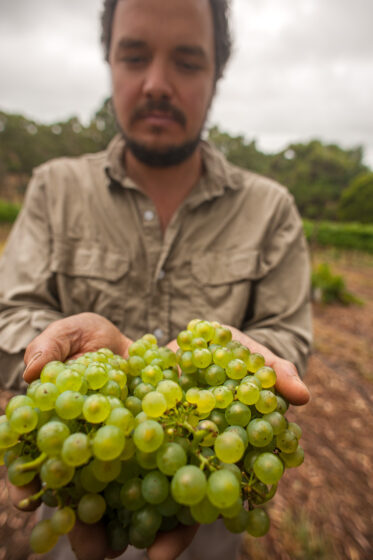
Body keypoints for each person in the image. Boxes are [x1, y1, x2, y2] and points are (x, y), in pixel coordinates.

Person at [0, 0, 312, 559]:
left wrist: (260, 368)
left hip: (213, 494)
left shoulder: (273, 209)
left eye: (188, 62)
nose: (156, 84)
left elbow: (287, 339)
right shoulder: (53, 188)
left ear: (218, 74)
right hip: (84, 481)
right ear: (109, 62)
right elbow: (9, 311)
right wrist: (49, 366)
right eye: (135, 56)